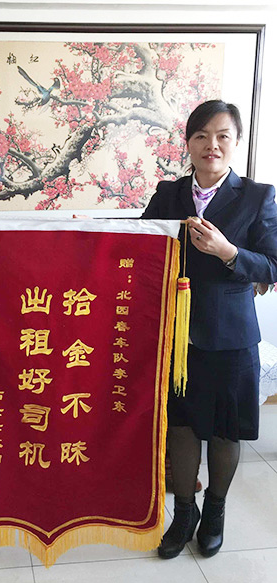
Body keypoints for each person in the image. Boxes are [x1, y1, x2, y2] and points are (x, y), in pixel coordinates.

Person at [142, 100, 277, 559]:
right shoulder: (169, 193)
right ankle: (184, 513)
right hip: (176, 333)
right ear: (188, 143)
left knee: (224, 432)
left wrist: (228, 252)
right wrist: (91, 235)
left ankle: (215, 510)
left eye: (222, 136)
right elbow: (140, 245)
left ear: (236, 142)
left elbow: (273, 264)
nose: (211, 145)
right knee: (180, 427)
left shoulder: (257, 196)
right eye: (201, 135)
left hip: (231, 338)